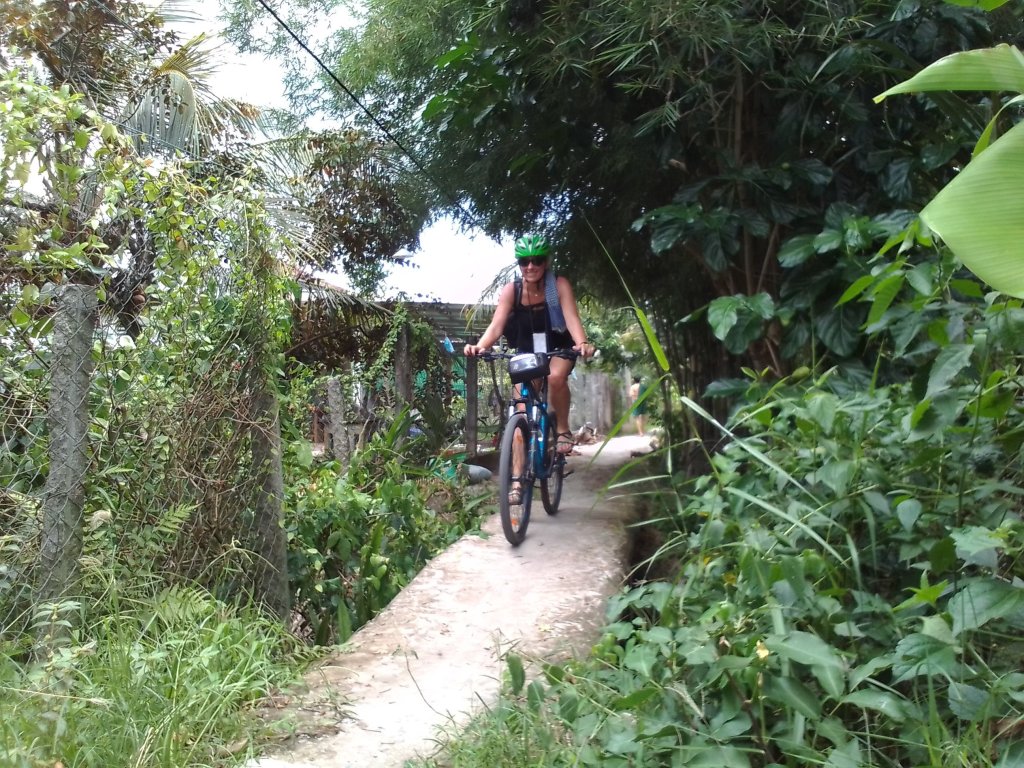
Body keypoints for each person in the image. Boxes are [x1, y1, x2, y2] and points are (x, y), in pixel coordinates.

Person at [464, 234, 595, 500]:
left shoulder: (557, 285)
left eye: (536, 261)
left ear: (546, 262)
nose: (530, 266)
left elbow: (571, 317)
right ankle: (515, 484)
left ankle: (562, 431)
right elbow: (497, 325)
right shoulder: (513, 290)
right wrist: (481, 346)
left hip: (560, 348)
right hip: (527, 352)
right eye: (524, 261)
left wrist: (582, 343)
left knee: (557, 376)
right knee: (520, 414)